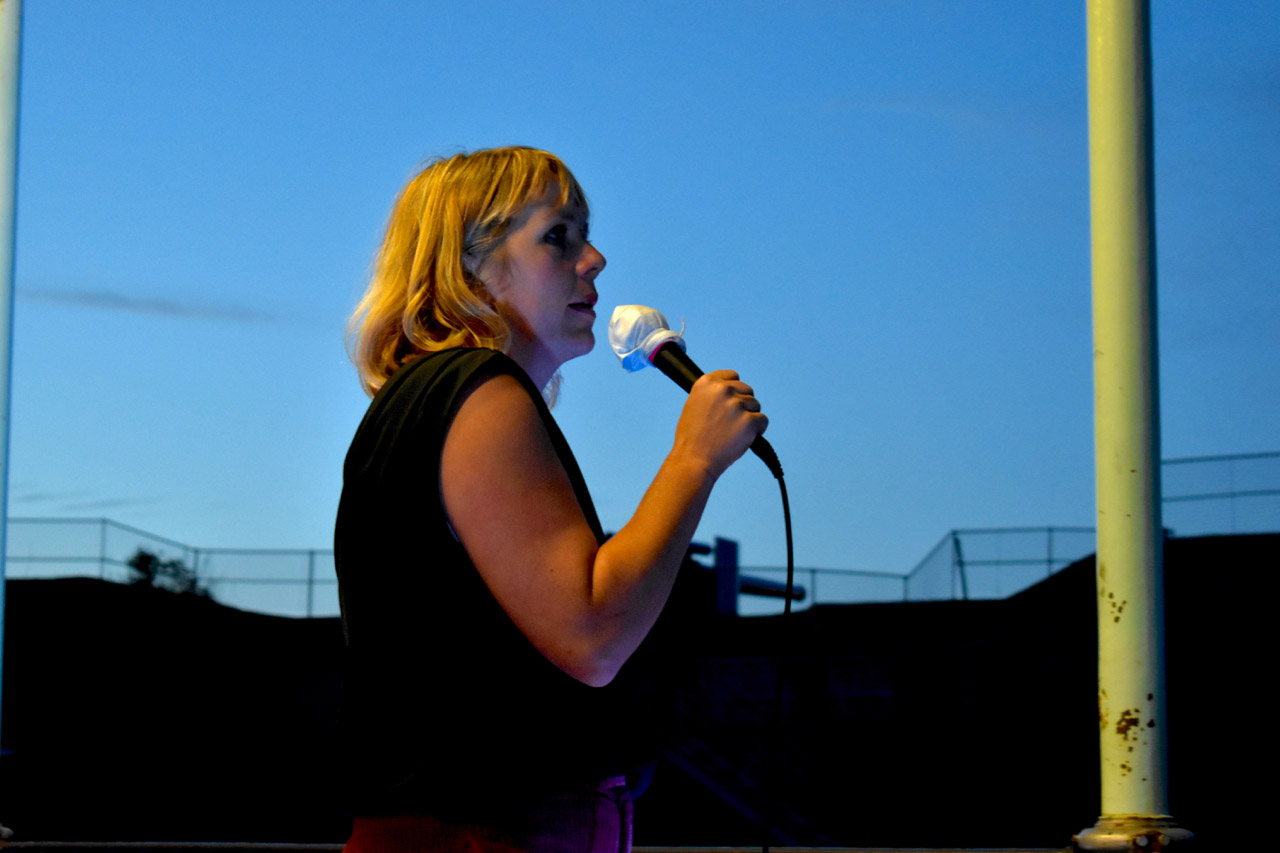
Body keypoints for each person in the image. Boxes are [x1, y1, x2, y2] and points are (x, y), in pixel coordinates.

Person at [334, 146, 767, 852]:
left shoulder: (437, 401)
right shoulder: (476, 392)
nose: (593, 259)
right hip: (484, 842)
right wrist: (694, 460)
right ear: (470, 267)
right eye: (557, 236)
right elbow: (591, 633)